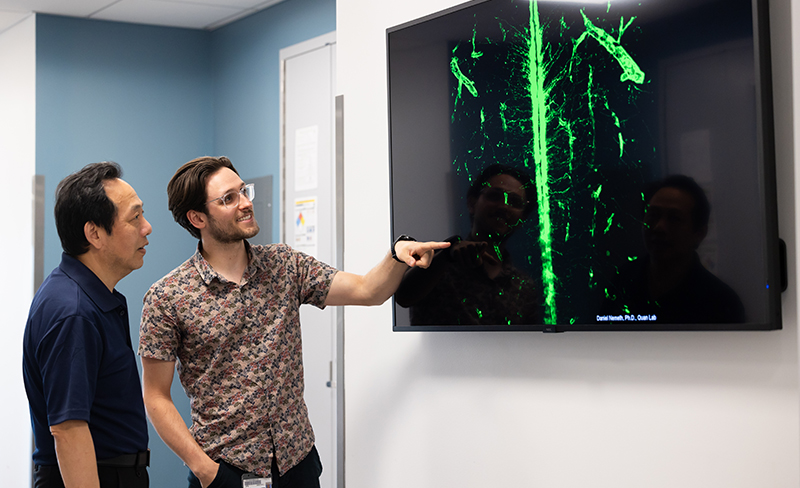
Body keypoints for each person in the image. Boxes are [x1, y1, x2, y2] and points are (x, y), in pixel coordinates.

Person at [138, 156, 448, 488]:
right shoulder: (168, 297)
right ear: (197, 217)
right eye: (229, 198)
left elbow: (367, 290)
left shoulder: (284, 265)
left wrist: (397, 254)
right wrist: (205, 470)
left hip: (297, 463)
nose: (245, 204)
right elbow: (156, 396)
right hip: (226, 470)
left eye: (244, 191)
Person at [23, 162, 153, 488]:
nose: (147, 227)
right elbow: (68, 431)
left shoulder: (86, 296)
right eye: (134, 217)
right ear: (94, 233)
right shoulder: (74, 312)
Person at [395, 164, 540, 325]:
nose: (504, 206)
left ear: (522, 219)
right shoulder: (434, 261)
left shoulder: (524, 287)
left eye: (514, 202)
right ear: (472, 203)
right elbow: (403, 297)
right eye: (494, 196)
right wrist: (448, 254)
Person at [599, 174, 745, 323]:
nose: (659, 227)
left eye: (674, 218)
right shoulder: (623, 281)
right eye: (653, 215)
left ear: (699, 233)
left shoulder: (721, 303)